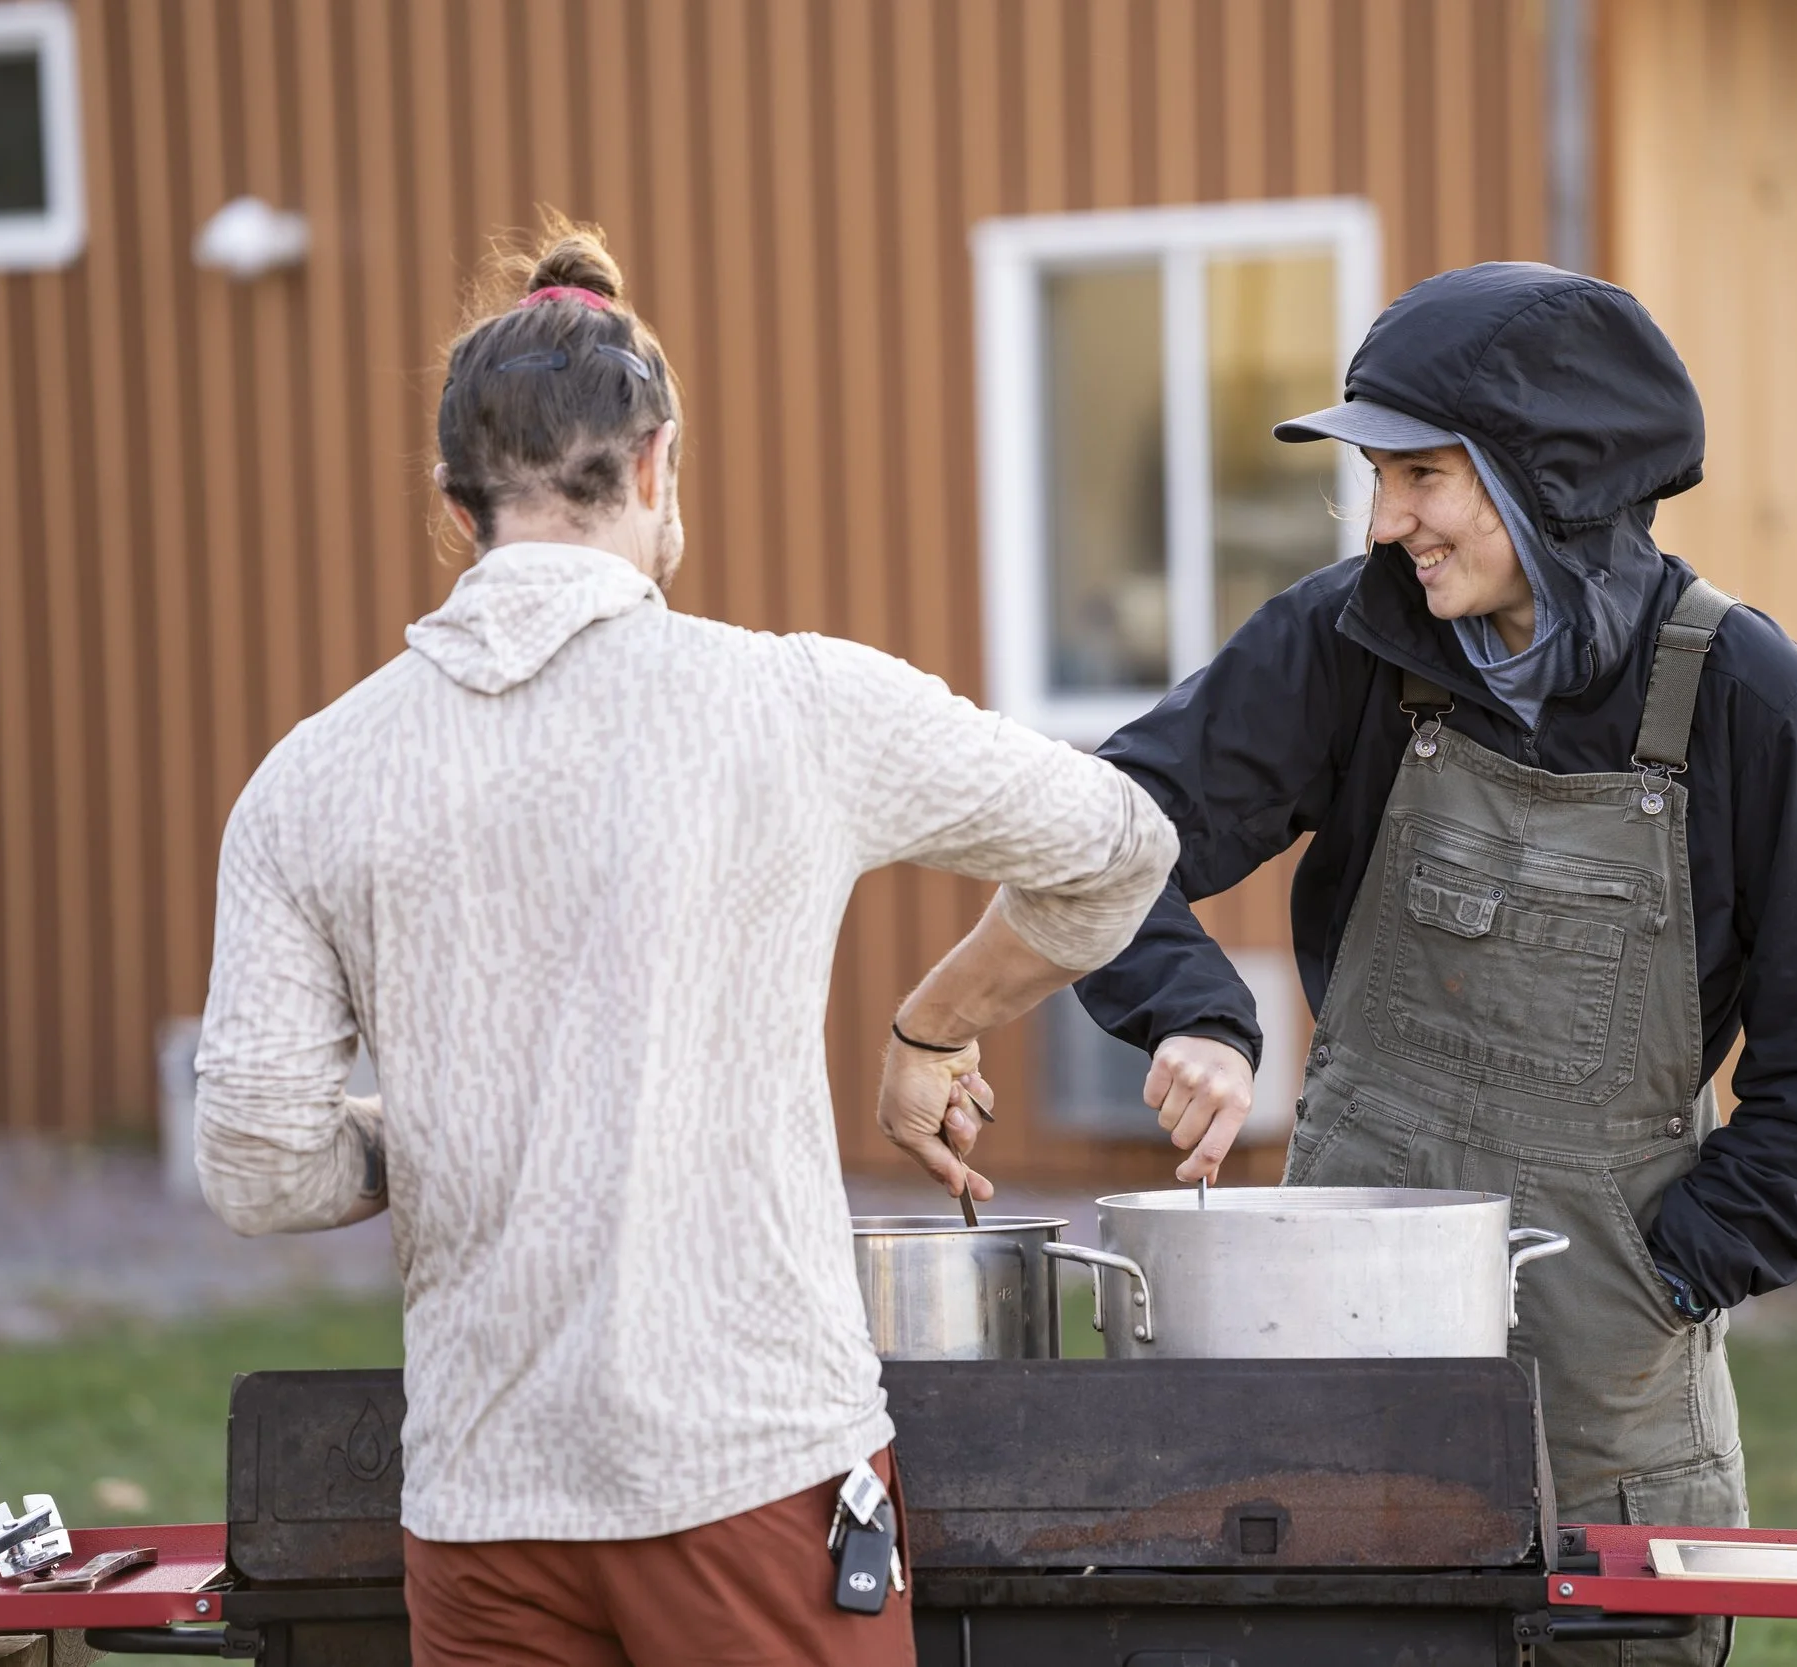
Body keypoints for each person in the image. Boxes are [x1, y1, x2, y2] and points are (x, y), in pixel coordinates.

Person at [192, 215, 1176, 1667]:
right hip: (754, 1478)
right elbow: (1118, 842)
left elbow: (260, 1165)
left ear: (459, 502)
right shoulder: (791, 705)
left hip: (483, 1506)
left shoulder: (311, 779)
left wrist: (462, 1121)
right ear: (658, 464)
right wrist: (938, 1018)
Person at [1065, 262, 1797, 1665]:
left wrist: (1664, 1276)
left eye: (1421, 476)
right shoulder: (1346, 643)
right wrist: (1195, 1013)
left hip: (1608, 1407)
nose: (1386, 520)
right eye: (1379, 477)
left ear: (1550, 483)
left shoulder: (1763, 705)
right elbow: (1098, 838)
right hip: (1335, 1374)